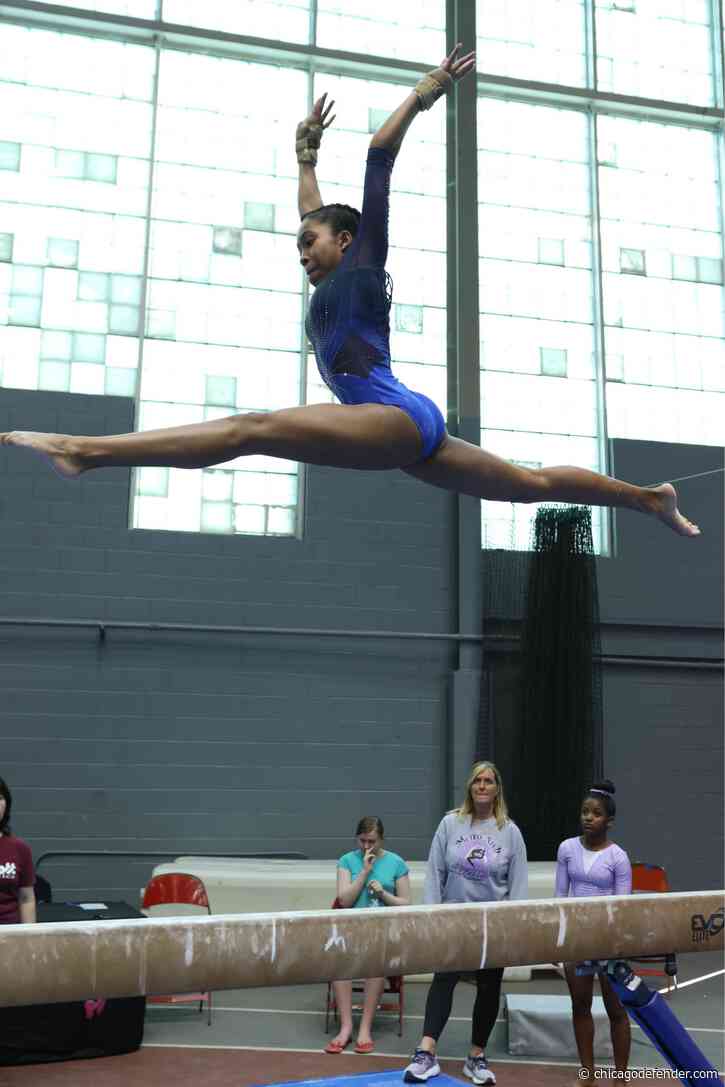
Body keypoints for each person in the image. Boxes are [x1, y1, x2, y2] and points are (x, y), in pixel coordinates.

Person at [0, 45, 699, 539]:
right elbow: (313, 214)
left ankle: (85, 448)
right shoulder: (335, 267)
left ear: (344, 241)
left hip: (391, 415)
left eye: (309, 243)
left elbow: (376, 160)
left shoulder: (363, 261)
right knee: (531, 483)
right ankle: (645, 497)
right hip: (405, 422)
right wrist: (303, 157)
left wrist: (421, 96)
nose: (300, 250)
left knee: (252, 429)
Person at [403, 762, 527, 1085]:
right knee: (443, 979)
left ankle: (476, 1056)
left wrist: (513, 929)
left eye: (488, 781)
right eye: (477, 781)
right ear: (470, 787)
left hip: (491, 921)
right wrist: (431, 916)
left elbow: (518, 885)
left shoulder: (510, 832)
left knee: (489, 986)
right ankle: (426, 1052)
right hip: (453, 917)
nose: (482, 786)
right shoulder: (450, 824)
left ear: (497, 789)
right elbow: (434, 873)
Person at [555, 779, 632, 1081]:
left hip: (609, 940)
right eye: (585, 812)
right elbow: (560, 898)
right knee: (580, 1005)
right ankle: (587, 1072)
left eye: (596, 813)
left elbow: (623, 907)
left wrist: (615, 944)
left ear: (609, 821)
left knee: (617, 1010)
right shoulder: (567, 849)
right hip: (577, 940)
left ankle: (621, 1075)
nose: (588, 817)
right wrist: (559, 943)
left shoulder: (618, 857)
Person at [325, 815, 410, 1055]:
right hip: (351, 929)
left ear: (381, 839)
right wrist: (364, 873)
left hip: (383, 932)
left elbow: (406, 905)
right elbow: (343, 900)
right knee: (340, 964)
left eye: (371, 841)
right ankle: (345, 1027)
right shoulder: (346, 861)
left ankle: (365, 1029)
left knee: (375, 964)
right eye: (362, 840)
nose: (366, 846)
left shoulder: (396, 863)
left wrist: (384, 894)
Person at [0, 776, 36, 925]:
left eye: (0, 797)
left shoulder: (20, 849)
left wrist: (30, 940)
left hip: (10, 935)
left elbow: (26, 898)